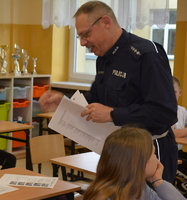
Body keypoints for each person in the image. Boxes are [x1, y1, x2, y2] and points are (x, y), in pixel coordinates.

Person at [39, 1, 178, 183]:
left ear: (105, 22)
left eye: (85, 34)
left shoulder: (146, 54)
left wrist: (113, 114)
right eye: (79, 37)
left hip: (150, 151)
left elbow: (165, 112)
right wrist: (64, 101)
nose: (82, 43)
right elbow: (96, 100)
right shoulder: (104, 58)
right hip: (118, 150)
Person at [83, 125, 186, 200]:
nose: (157, 158)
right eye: (154, 154)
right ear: (139, 163)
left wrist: (158, 181)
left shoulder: (140, 187)